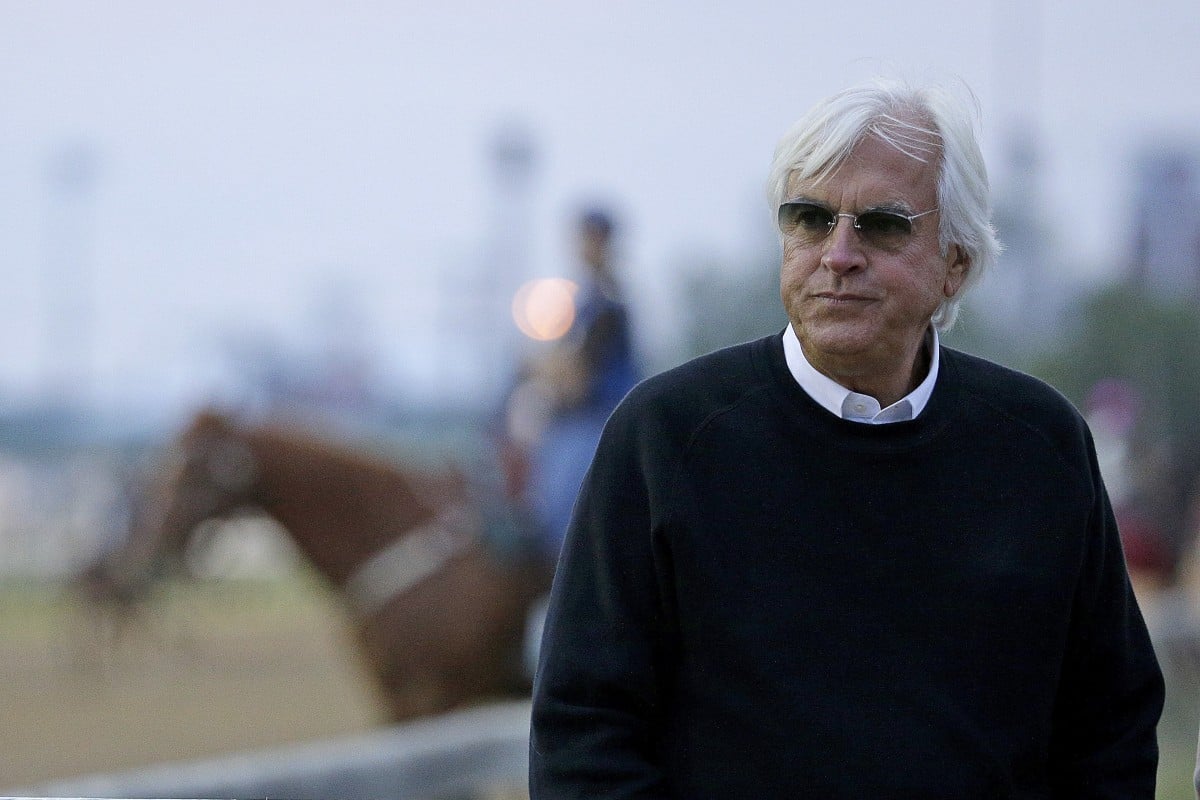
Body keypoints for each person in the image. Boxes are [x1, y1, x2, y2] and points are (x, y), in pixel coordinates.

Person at [529, 78, 1164, 798]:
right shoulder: (664, 441)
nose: (837, 254)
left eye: (881, 225)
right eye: (809, 217)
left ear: (955, 260)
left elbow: (1109, 729)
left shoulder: (1041, 449)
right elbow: (583, 734)